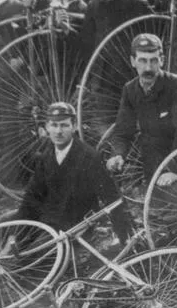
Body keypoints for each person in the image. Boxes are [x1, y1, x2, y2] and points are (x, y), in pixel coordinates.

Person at [10, 102, 132, 245]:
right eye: (54, 125)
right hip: (47, 218)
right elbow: (32, 195)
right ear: (47, 127)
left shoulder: (88, 157)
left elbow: (111, 197)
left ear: (74, 127)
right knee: (1, 230)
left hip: (74, 227)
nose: (58, 131)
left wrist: (125, 237)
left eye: (64, 125)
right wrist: (15, 234)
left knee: (34, 254)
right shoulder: (47, 155)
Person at [105, 34, 177, 186]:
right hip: (151, 165)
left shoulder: (176, 84)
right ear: (133, 61)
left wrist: (172, 168)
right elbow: (122, 131)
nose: (148, 68)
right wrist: (118, 154)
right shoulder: (130, 89)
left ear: (162, 60)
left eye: (153, 60)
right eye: (142, 61)